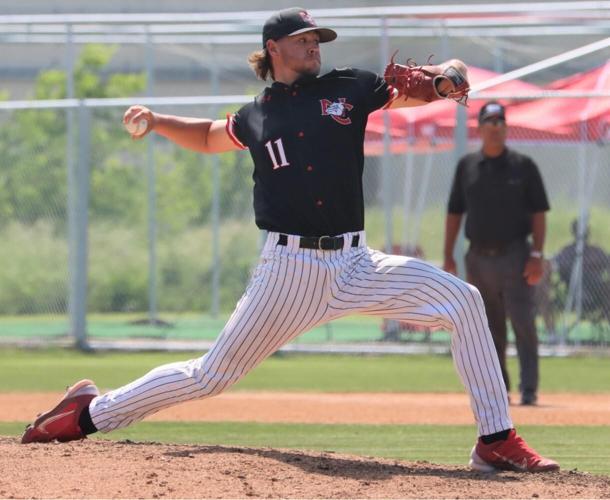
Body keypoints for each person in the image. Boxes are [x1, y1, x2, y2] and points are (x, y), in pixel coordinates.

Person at [21, 8, 558, 473]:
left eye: (317, 39)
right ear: (273, 48)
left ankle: (495, 441)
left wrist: (447, 76)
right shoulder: (258, 115)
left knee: (462, 301)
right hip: (288, 272)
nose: (313, 45)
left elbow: (419, 89)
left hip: (356, 262)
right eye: (303, 39)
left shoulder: (350, 88)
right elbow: (210, 137)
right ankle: (87, 413)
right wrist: (159, 120)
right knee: (210, 376)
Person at [443, 101, 550, 407]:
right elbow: (454, 212)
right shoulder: (467, 166)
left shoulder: (523, 165)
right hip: (477, 256)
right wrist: (448, 255)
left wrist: (537, 254)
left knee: (523, 322)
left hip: (516, 255)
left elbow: (539, 212)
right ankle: (499, 389)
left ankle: (529, 388)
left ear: (505, 127)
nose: (495, 127)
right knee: (490, 327)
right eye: (489, 122)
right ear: (479, 127)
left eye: (500, 121)